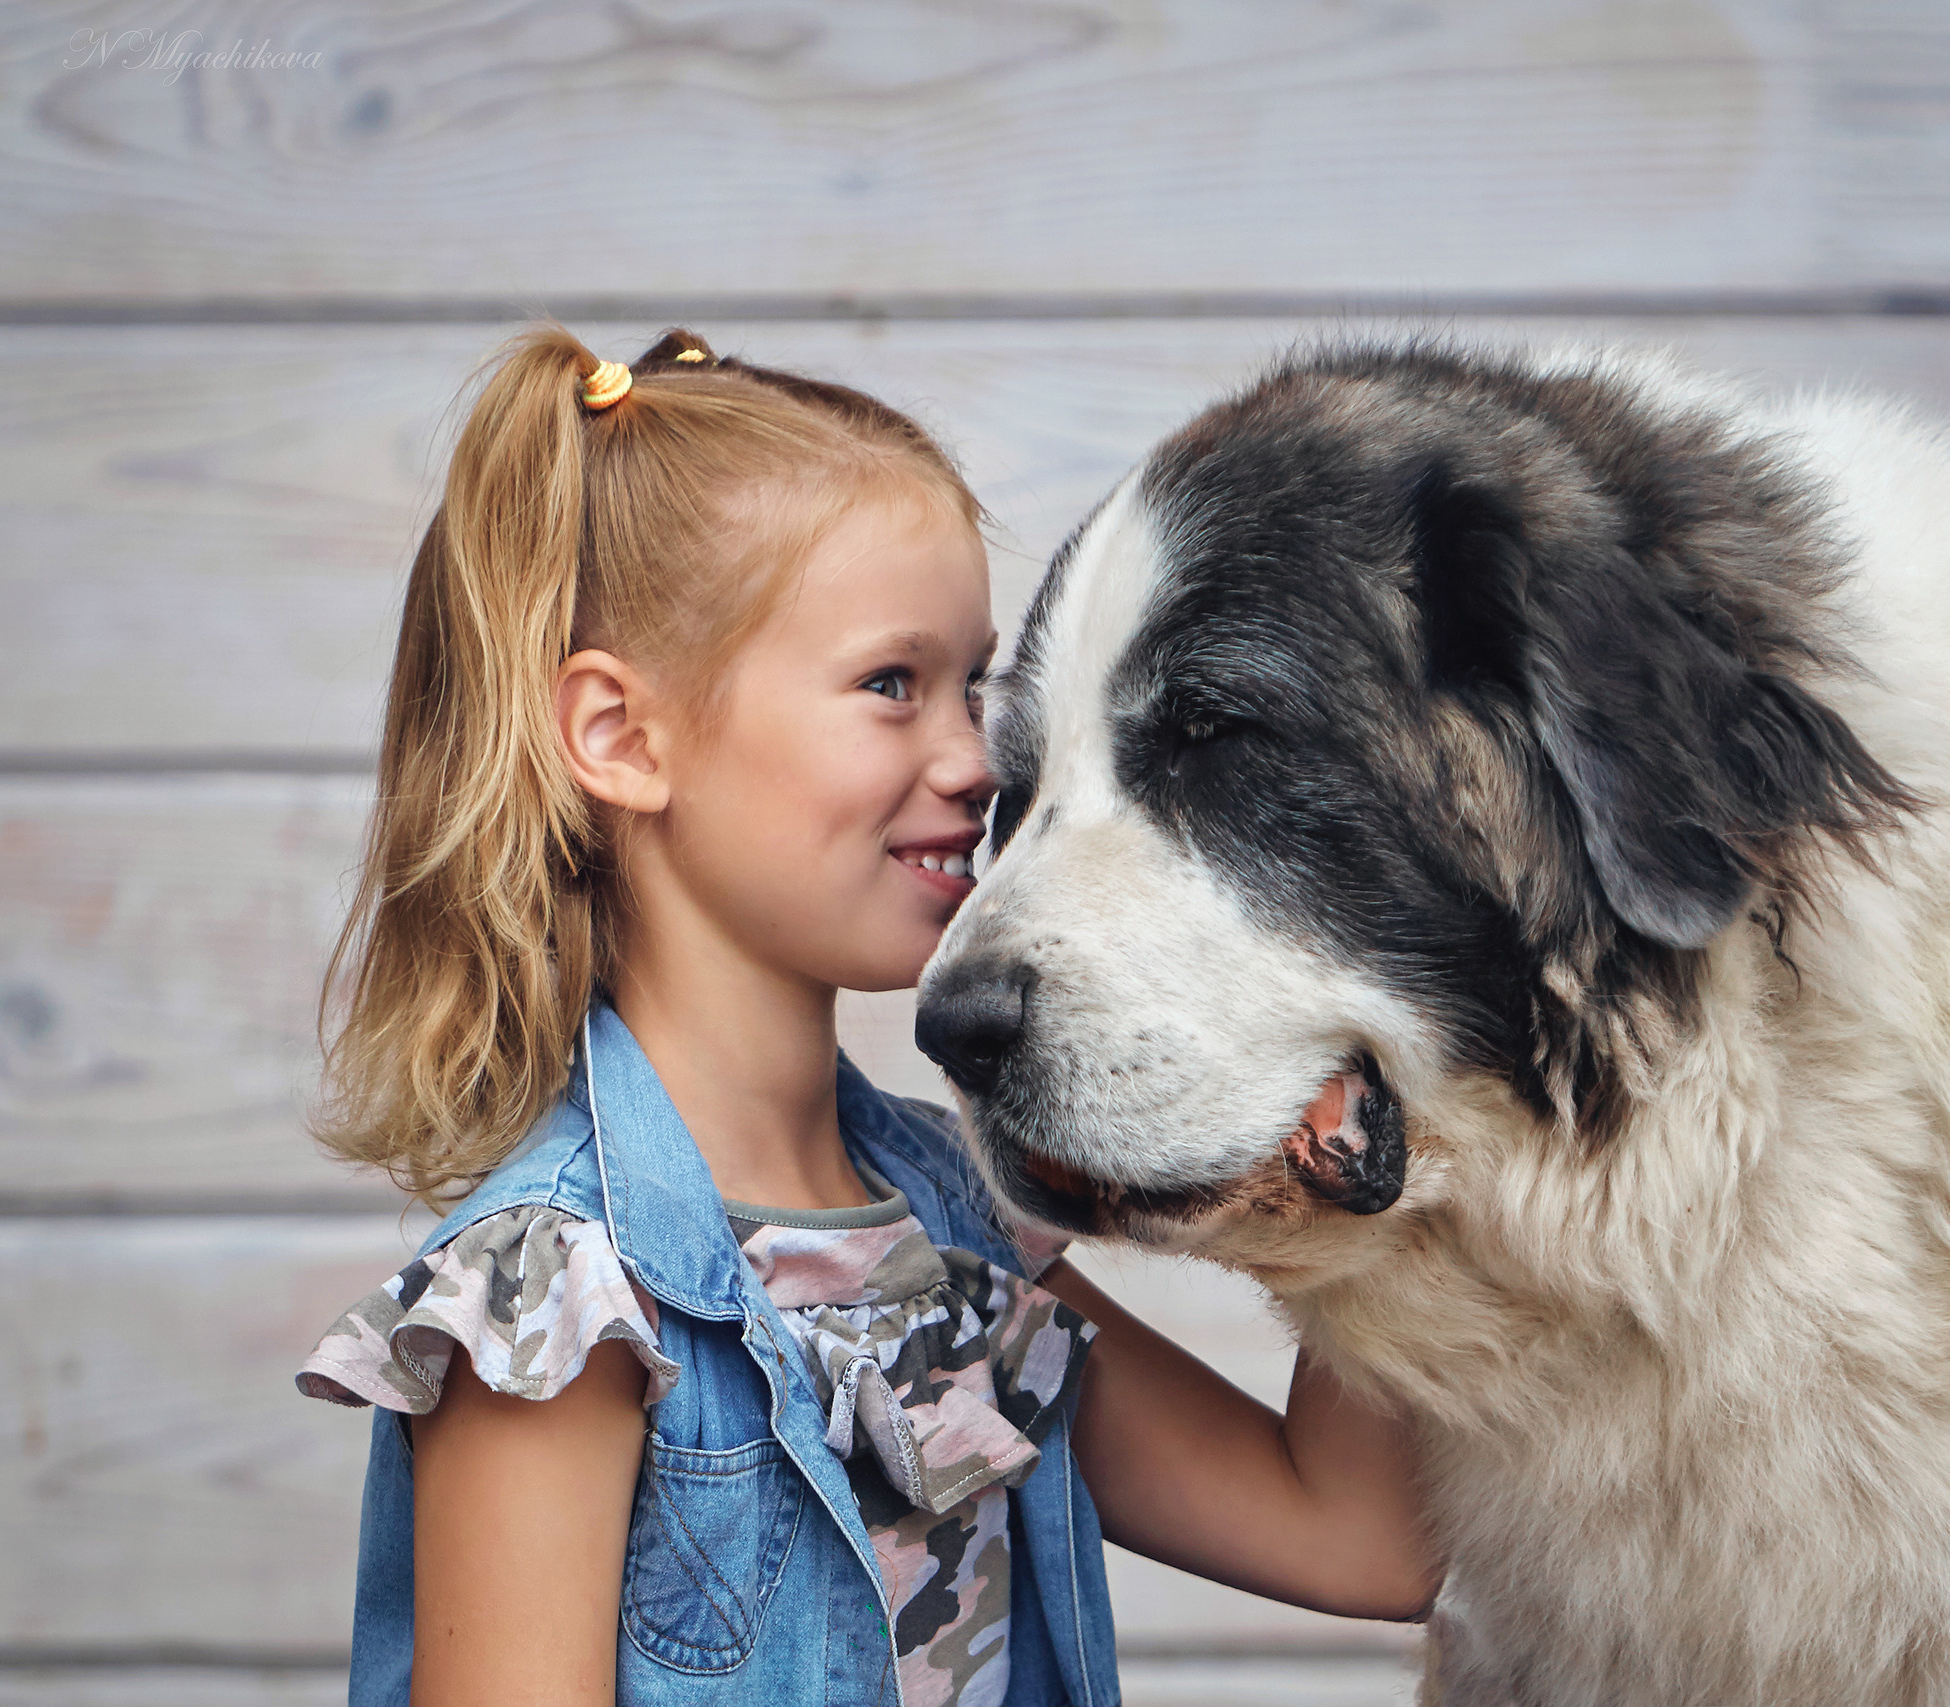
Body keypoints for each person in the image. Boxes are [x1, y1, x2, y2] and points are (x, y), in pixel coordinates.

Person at [294, 327, 1440, 1707]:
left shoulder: (954, 1226)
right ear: (622, 738)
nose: (979, 760)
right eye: (892, 685)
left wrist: (1342, 1100)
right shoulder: (562, 1301)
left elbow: (1359, 1538)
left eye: (978, 686)